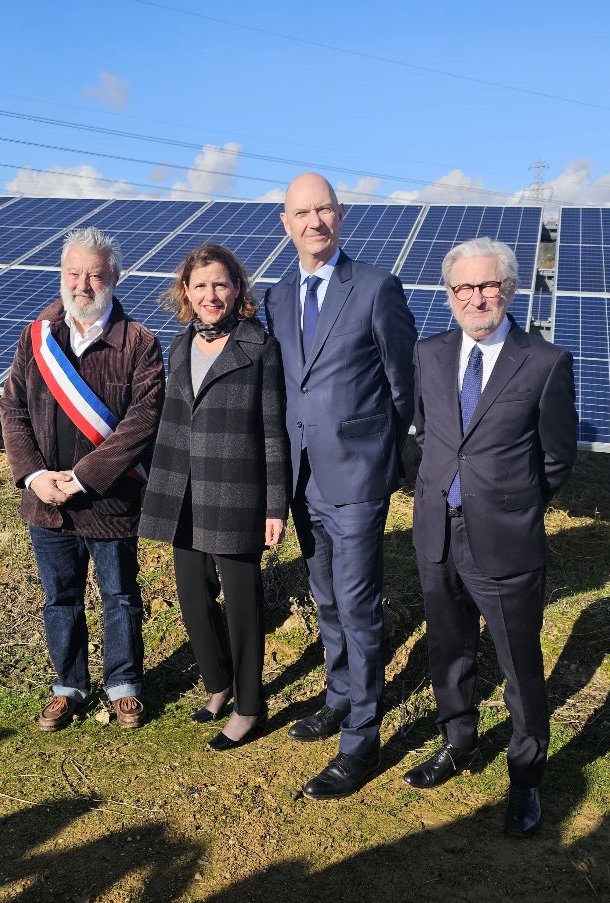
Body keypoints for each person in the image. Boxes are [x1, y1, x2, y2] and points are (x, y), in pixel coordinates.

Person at [407, 236, 577, 837]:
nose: (477, 297)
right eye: (464, 288)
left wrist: (513, 505)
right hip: (436, 530)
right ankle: (458, 742)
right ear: (449, 294)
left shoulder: (544, 362)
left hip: (504, 537)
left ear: (507, 289)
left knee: (519, 664)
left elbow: (555, 458)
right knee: (448, 650)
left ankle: (526, 777)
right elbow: (427, 434)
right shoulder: (428, 353)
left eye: (488, 286)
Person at [263, 173, 416, 799]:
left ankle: (362, 736)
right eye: (301, 213)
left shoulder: (377, 288)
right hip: (302, 475)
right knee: (323, 595)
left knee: (358, 604)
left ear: (341, 214)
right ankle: (339, 694)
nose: (313, 222)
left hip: (356, 475)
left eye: (323, 209)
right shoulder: (276, 296)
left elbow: (403, 386)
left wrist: (385, 457)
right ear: (285, 223)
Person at [0, 226, 164, 732]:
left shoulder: (140, 343)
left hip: (112, 501)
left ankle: (124, 685)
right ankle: (68, 685)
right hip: (46, 503)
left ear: (114, 277)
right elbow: (13, 408)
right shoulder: (36, 338)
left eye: (95, 274)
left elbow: (143, 419)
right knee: (60, 597)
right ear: (62, 276)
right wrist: (32, 476)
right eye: (74, 273)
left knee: (119, 596)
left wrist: (83, 478)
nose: (84, 284)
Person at [139, 243, 288, 751]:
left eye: (220, 284)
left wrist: (275, 504)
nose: (211, 294)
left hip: (236, 492)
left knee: (242, 606)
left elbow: (274, 432)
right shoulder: (178, 346)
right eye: (200, 285)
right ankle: (218, 685)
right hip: (181, 492)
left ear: (237, 289)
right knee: (193, 600)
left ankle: (250, 706)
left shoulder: (259, 347)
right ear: (186, 291)